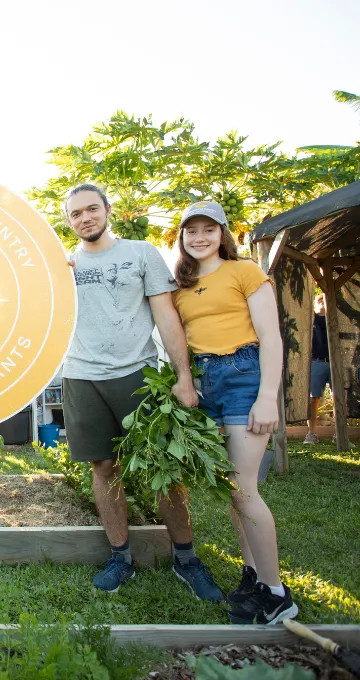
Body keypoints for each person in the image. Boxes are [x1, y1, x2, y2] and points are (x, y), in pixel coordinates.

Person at [61, 184, 223, 601]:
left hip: (138, 373)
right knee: (102, 467)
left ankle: (186, 559)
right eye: (76, 214)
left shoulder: (141, 253)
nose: (85, 218)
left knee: (163, 469)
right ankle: (121, 558)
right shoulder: (63, 265)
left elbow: (166, 314)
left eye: (92, 209)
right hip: (81, 376)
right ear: (68, 221)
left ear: (108, 210)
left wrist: (183, 375)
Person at [173, 200, 298, 624]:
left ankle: (277, 593)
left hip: (244, 373)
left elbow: (271, 337)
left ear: (222, 233)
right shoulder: (181, 284)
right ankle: (253, 576)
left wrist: (268, 396)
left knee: (243, 488)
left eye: (209, 229)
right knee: (230, 488)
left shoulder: (244, 271)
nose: (200, 237)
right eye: (192, 231)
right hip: (207, 380)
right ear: (182, 237)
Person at [305, 294, 331, 444]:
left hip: (335, 363)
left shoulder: (335, 319)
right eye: (320, 301)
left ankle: (339, 434)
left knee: (339, 397)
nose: (323, 303)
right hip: (316, 362)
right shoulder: (310, 319)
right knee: (313, 398)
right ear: (315, 304)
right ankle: (311, 434)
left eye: (325, 300)